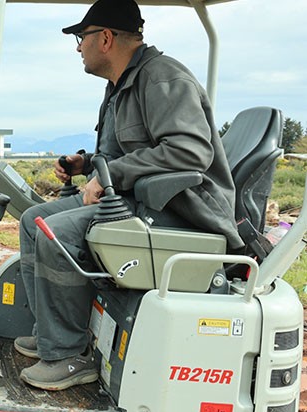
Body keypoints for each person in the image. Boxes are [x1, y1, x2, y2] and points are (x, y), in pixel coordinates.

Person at [14, 0, 241, 391]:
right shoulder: (120, 86)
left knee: (56, 234)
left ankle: (68, 356)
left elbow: (190, 152)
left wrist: (110, 175)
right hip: (138, 199)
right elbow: (126, 153)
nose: (78, 47)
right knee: (32, 221)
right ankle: (52, 333)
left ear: (105, 38)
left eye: (81, 37)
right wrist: (86, 164)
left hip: (175, 208)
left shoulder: (163, 79)